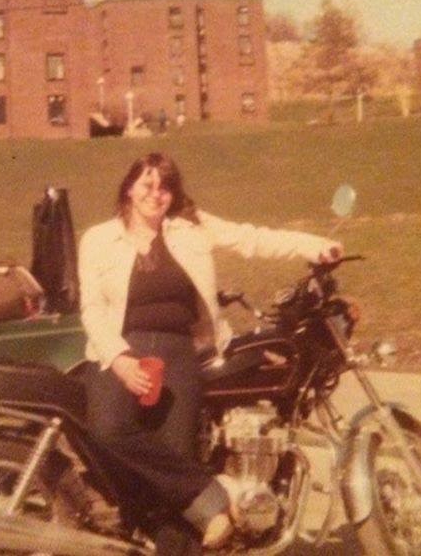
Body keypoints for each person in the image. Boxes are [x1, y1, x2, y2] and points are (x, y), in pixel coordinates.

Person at [78, 152, 343, 554]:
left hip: (178, 350)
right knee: (108, 428)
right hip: (118, 347)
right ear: (130, 188)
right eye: (147, 184)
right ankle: (215, 500)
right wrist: (119, 360)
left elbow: (252, 238)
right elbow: (92, 308)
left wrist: (315, 246)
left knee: (176, 456)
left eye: (165, 187)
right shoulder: (98, 238)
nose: (157, 194)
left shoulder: (191, 227)